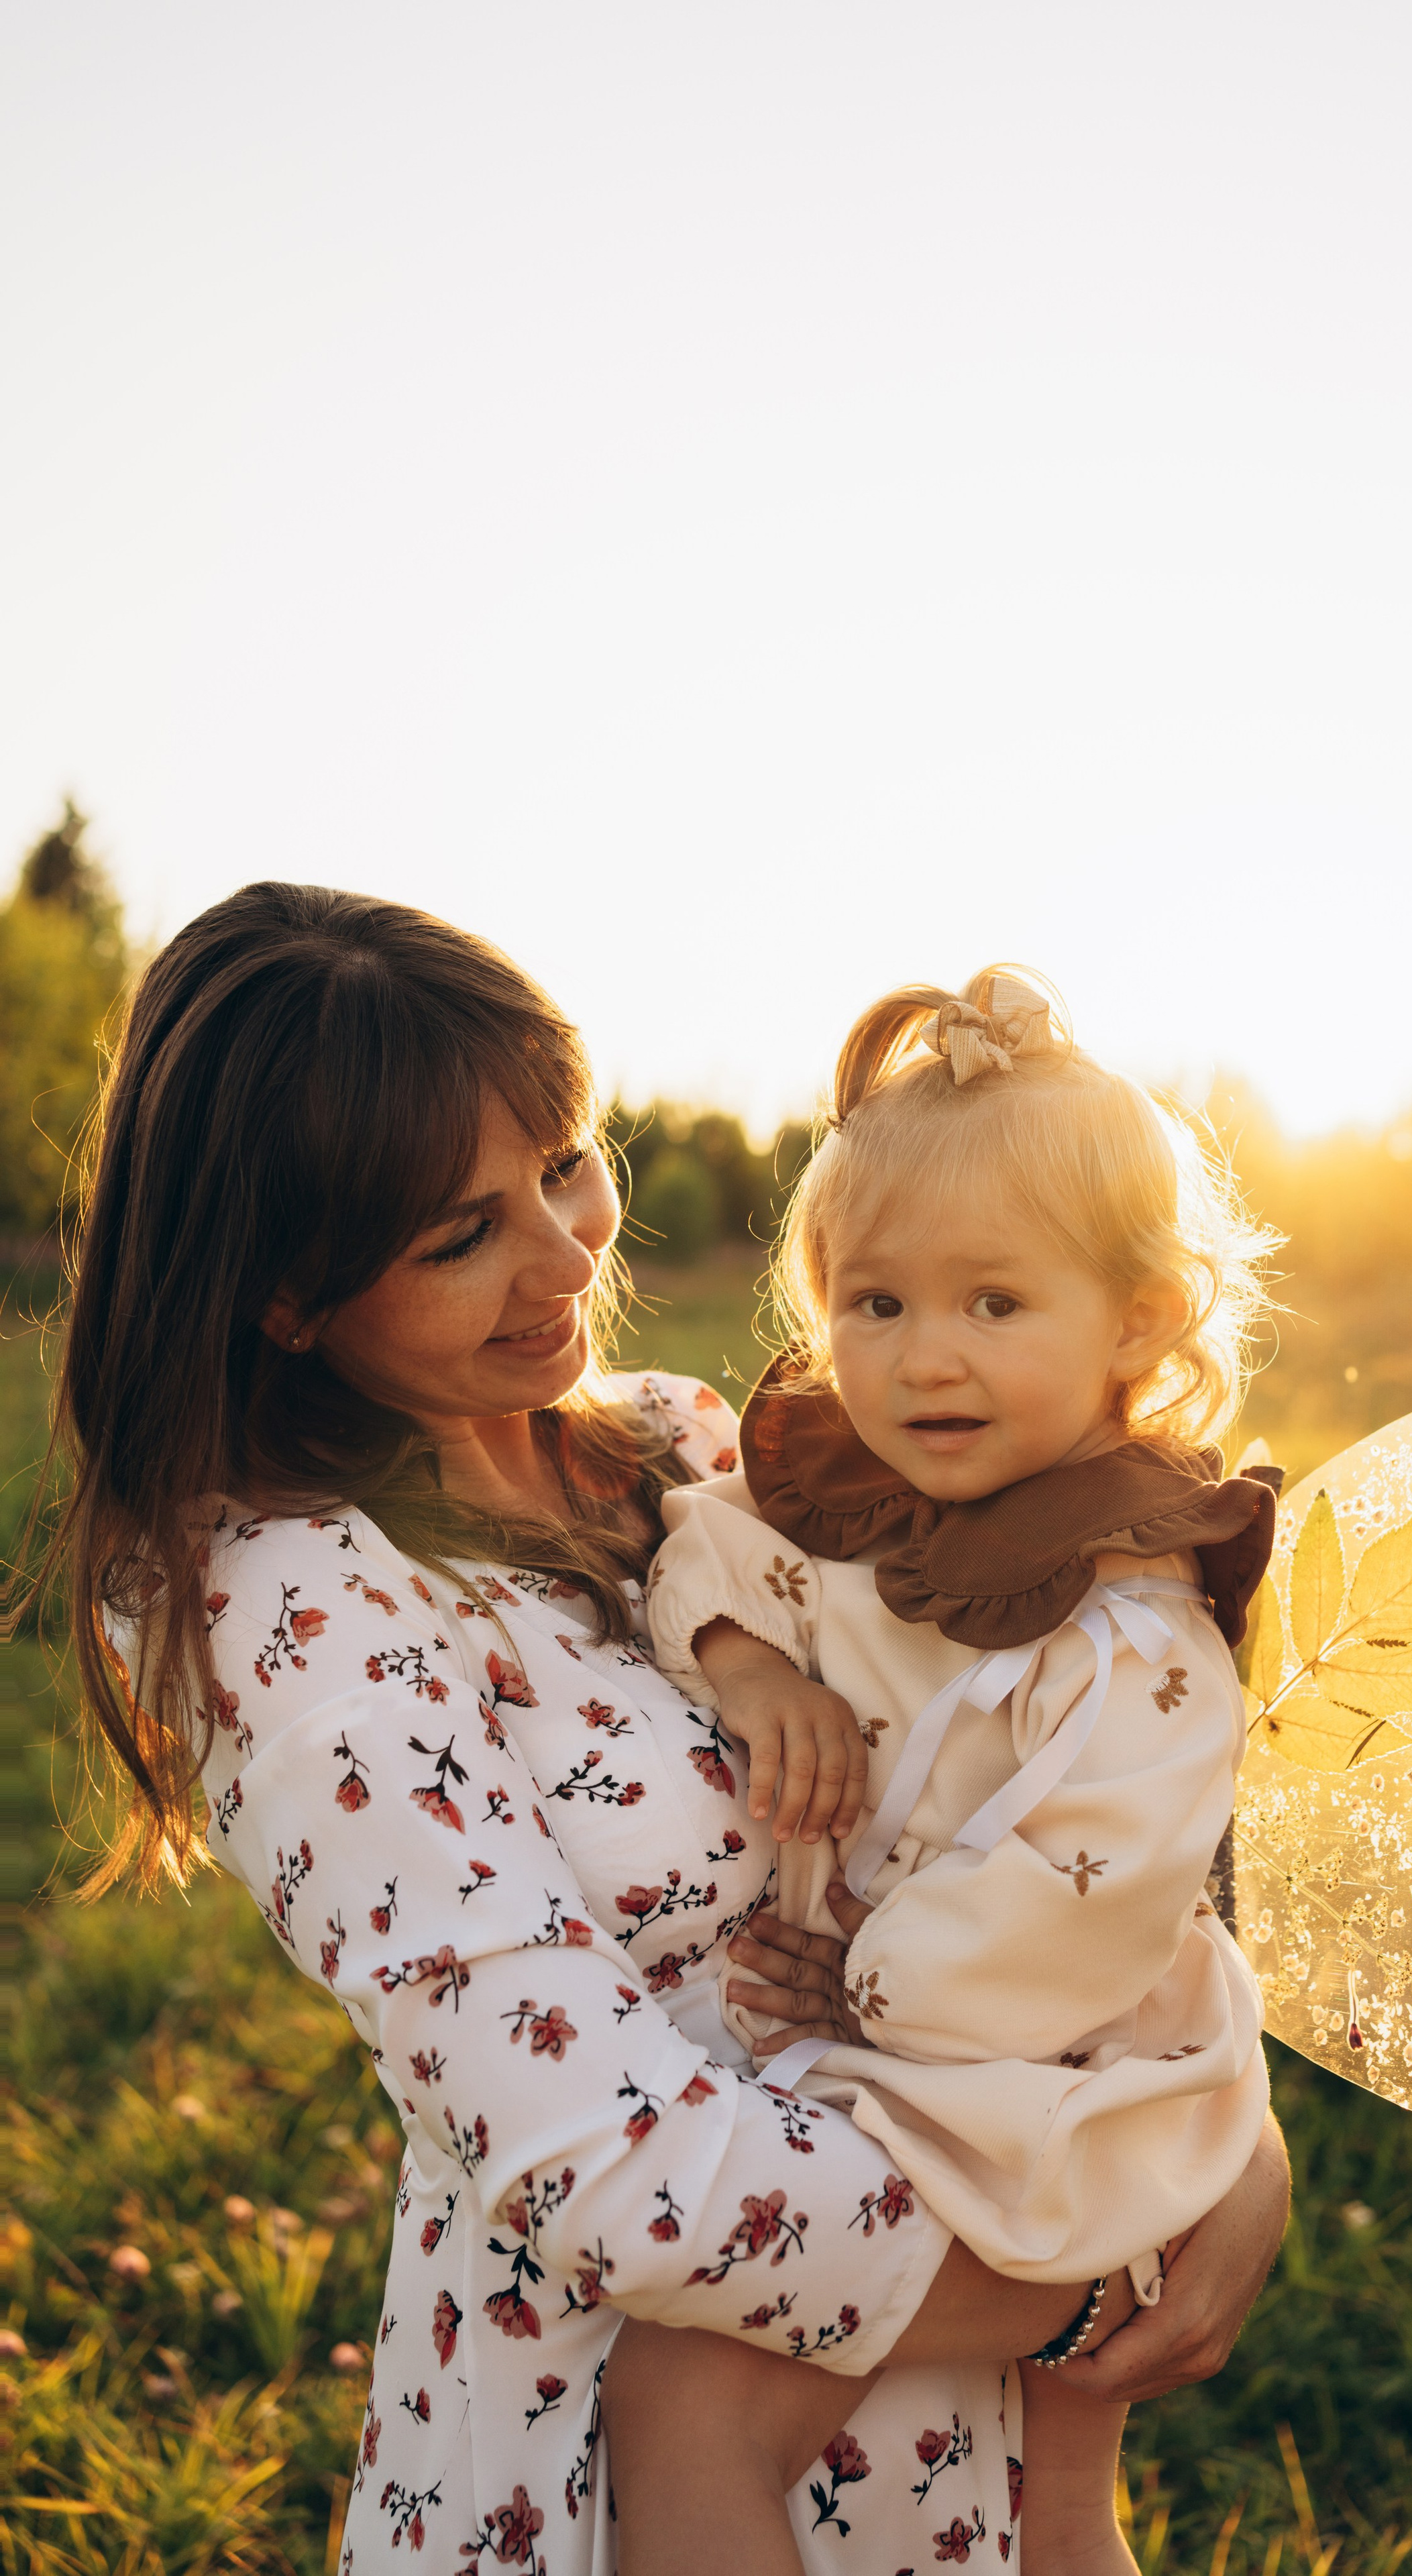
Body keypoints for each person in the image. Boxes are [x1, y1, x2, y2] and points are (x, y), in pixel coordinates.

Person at [18, 890, 1291, 2575]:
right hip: (643, 2434)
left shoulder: (678, 1445)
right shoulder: (303, 1617)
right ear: (285, 1301)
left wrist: (1227, 2133)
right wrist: (1089, 2277)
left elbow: (1034, 1769)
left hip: (931, 2416)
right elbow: (625, 2182)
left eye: (562, 1167)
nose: (562, 1262)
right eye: (455, 1238)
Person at [624, 966, 1277, 2572]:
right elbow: (704, 1545)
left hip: (1040, 2071)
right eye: (877, 1304)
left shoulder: (1129, 1608)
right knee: (1030, 2495)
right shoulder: (870, 1502)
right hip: (947, 2060)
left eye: (994, 1305)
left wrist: (868, 1984)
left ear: (1139, 1319)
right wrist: (748, 1663)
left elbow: (1093, 1872)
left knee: (705, 2390)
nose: (925, 1361)